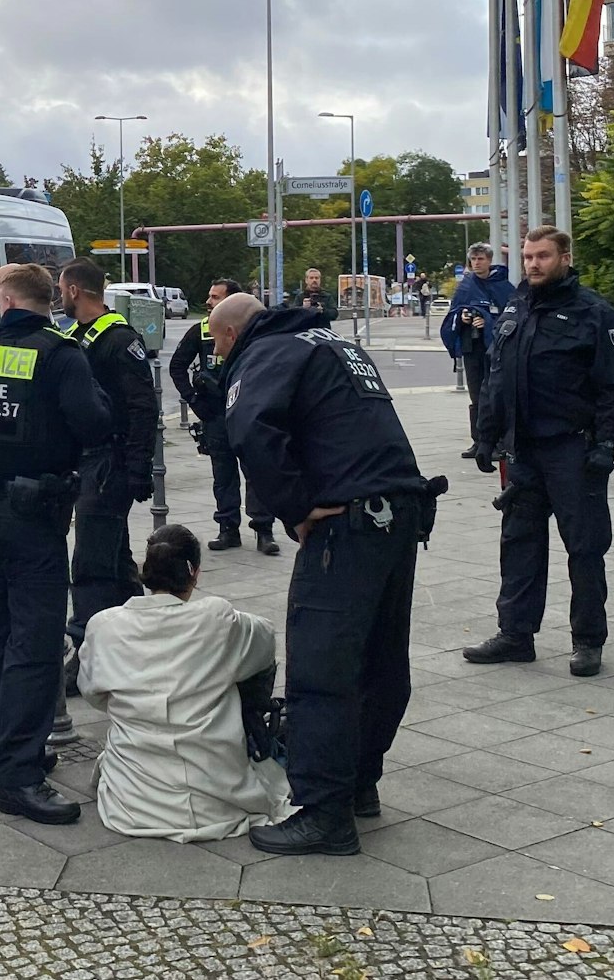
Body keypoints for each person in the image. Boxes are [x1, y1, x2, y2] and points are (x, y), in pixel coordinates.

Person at [213, 292, 439, 857]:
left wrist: (295, 507)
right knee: (380, 660)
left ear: (232, 335)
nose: (217, 356)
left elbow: (251, 432)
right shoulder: (332, 344)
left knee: (322, 667)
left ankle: (323, 813)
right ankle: (359, 784)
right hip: (398, 512)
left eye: (216, 345)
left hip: (347, 525)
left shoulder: (265, 354)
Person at [0, 262, 114, 824]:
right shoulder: (62, 355)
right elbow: (95, 425)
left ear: (7, 300)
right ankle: (20, 777)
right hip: (34, 516)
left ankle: (2, 755)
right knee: (35, 645)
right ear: (47, 301)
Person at [464, 227, 614, 678]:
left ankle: (588, 641)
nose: (533, 264)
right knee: (519, 544)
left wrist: (606, 442)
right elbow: (497, 376)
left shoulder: (594, 313)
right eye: (527, 256)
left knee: (585, 548)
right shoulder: (516, 306)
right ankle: (515, 635)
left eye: (542, 256)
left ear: (565, 257)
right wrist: (486, 435)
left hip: (572, 450)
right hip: (523, 451)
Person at [77, 524, 292, 842]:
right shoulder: (217, 618)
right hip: (218, 799)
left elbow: (93, 693)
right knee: (243, 663)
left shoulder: (104, 626)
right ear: (194, 574)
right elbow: (265, 641)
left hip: (132, 803)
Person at [59, 259, 158, 650]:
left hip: (109, 463)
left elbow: (143, 406)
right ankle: (142, 636)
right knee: (114, 557)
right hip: (90, 462)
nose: (60, 297)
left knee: (90, 564)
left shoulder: (118, 339)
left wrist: (139, 467)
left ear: (74, 291)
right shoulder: (77, 335)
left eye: (62, 290)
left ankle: (86, 647)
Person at [169, 278, 279, 555]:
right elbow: (177, 366)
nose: (208, 302)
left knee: (257, 471)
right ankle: (228, 528)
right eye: (209, 296)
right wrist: (194, 400)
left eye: (215, 297)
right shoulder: (201, 330)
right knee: (223, 475)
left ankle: (264, 530)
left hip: (248, 412)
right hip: (215, 413)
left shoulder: (252, 332)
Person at [441, 243, 515, 458]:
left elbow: (511, 315)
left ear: (489, 260)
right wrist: (462, 318)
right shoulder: (466, 286)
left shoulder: (503, 286)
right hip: (471, 346)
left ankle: (498, 442)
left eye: (480, 259)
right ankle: (478, 441)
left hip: (495, 348)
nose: (476, 263)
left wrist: (488, 321)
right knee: (476, 395)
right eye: (473, 259)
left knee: (495, 394)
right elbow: (453, 312)